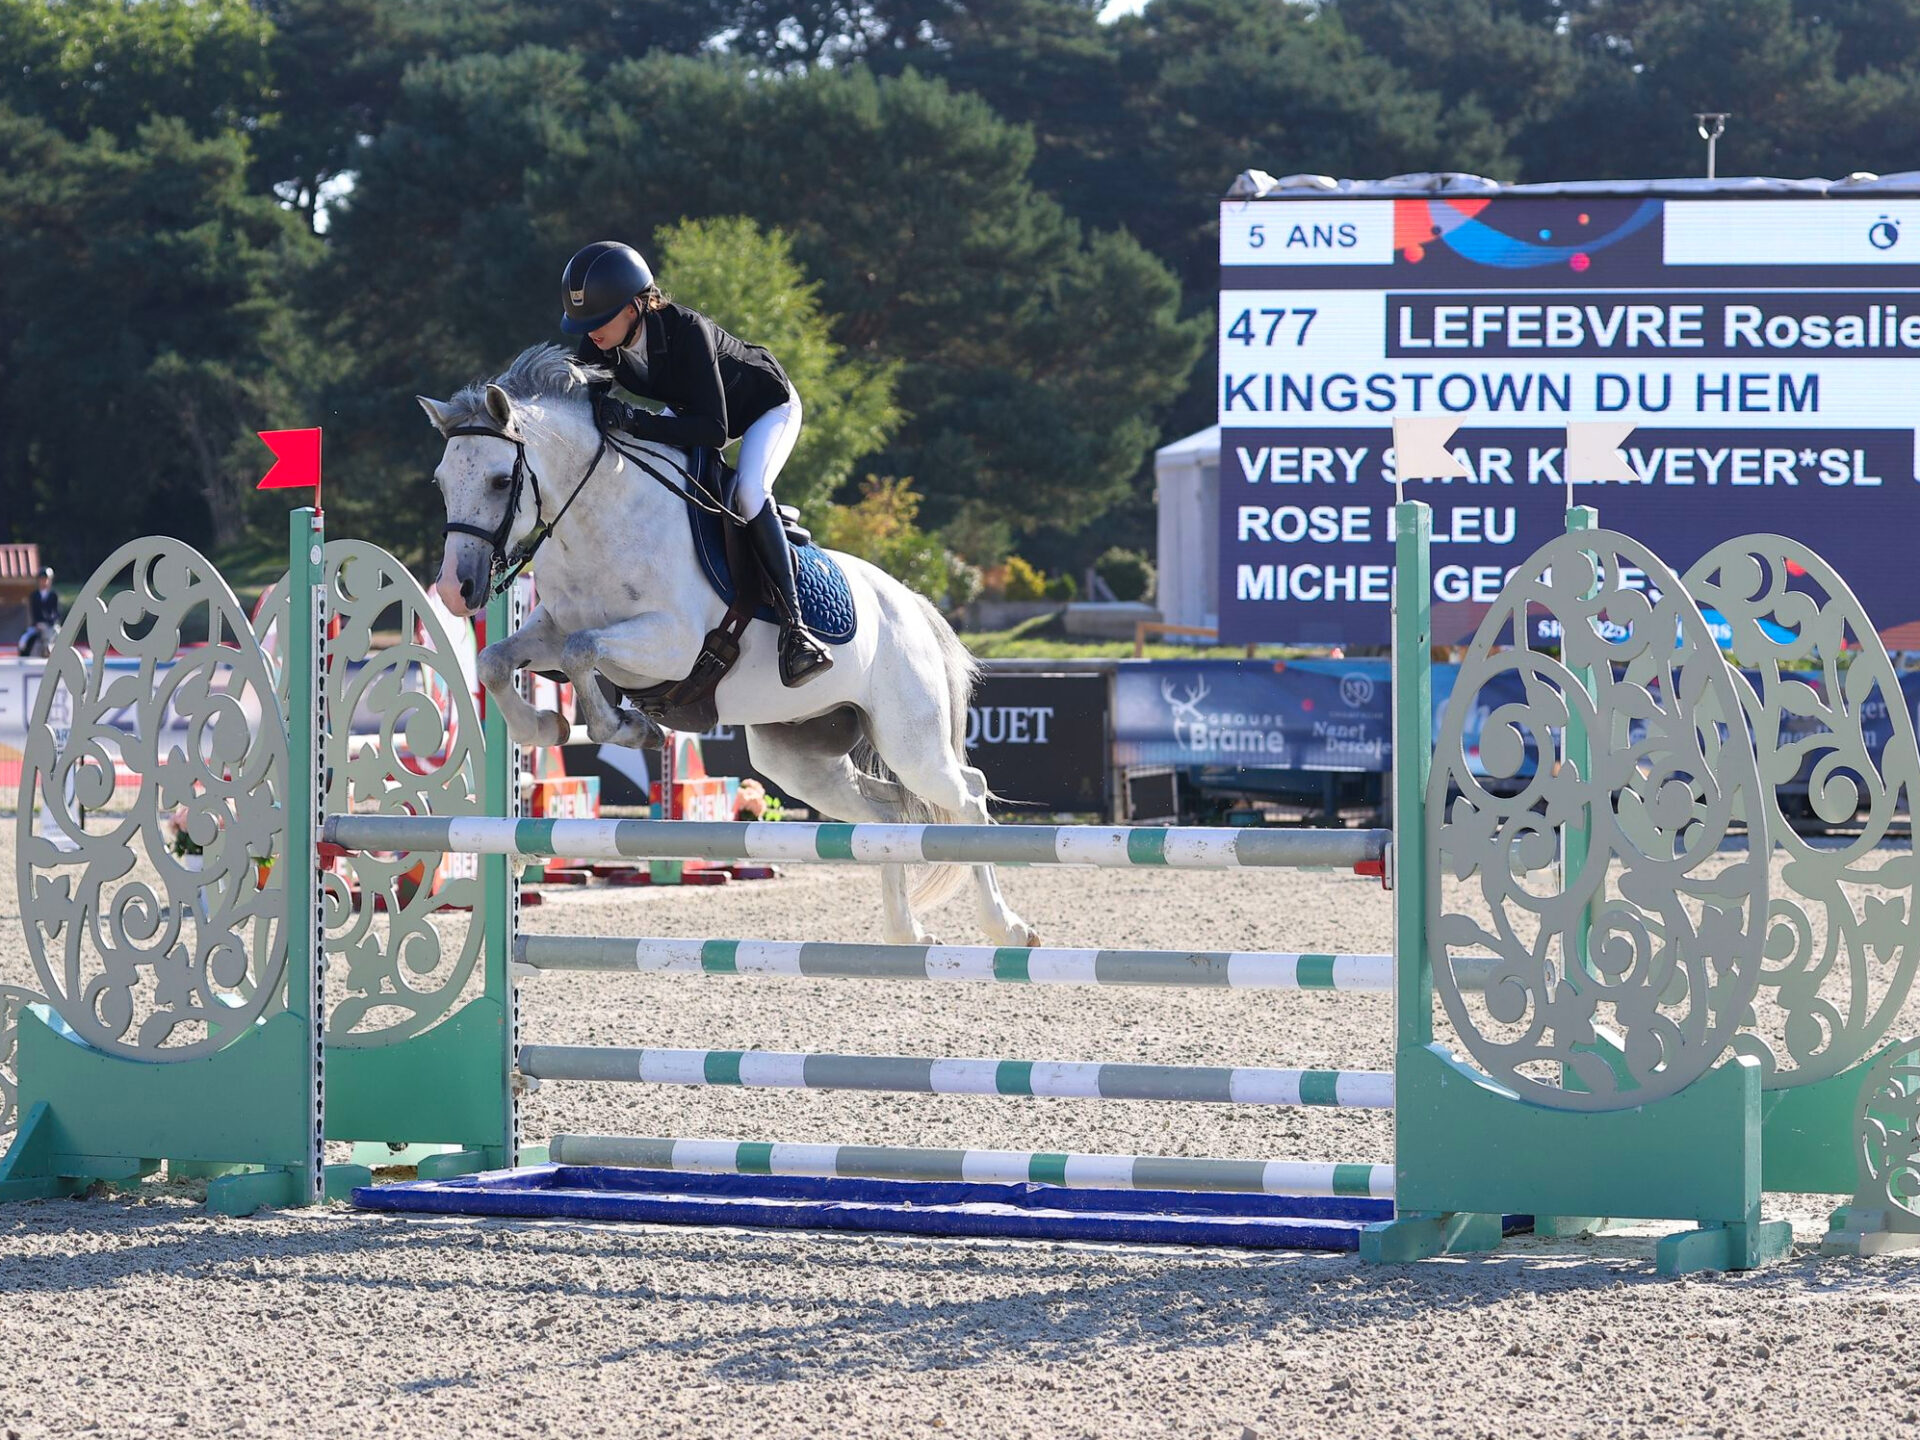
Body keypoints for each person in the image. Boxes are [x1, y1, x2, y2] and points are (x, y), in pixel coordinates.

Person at [558, 240, 831, 688]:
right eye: (584, 324)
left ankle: (796, 631)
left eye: (598, 320)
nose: (590, 334)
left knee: (749, 493)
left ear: (634, 307)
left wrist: (636, 421)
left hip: (764, 408)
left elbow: (714, 431)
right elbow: (580, 408)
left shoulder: (687, 331)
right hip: (692, 411)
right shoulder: (600, 341)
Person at [19, 567, 57, 657]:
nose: (44, 581)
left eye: (46, 579)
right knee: (23, 641)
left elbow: (56, 612)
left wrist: (49, 623)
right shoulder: (34, 595)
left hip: (50, 626)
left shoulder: (54, 595)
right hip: (37, 625)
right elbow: (32, 613)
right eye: (42, 579)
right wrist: (37, 624)